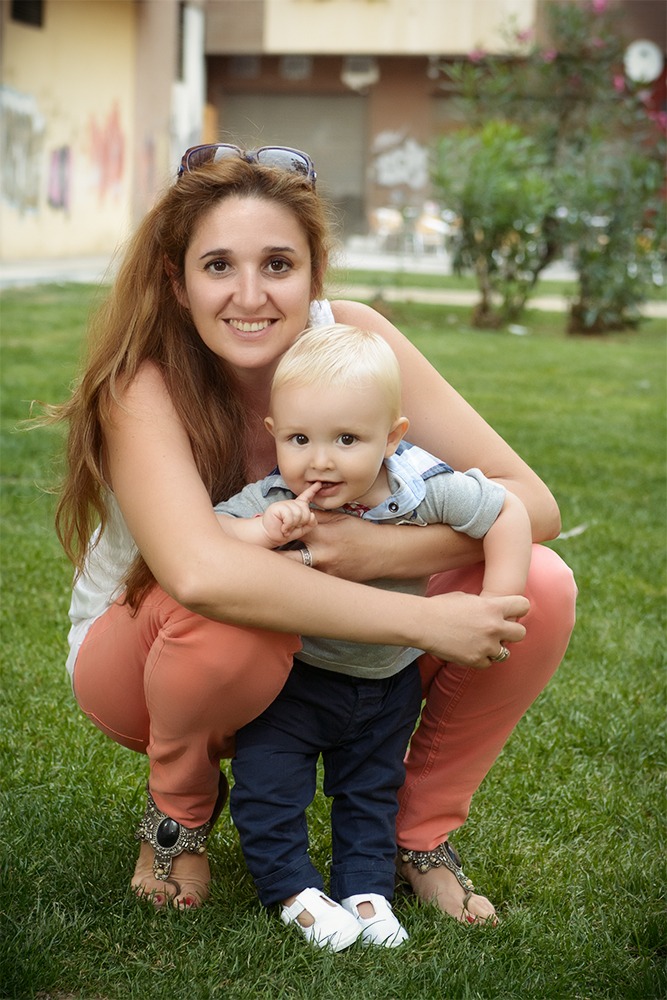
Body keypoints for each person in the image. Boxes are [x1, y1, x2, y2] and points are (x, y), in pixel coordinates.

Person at [51, 143, 576, 924]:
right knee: (234, 620)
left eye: (278, 264)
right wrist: (426, 619)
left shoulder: (356, 344)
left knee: (540, 582)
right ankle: (177, 820)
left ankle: (419, 837)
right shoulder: (144, 383)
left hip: (326, 655)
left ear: (314, 272)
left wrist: (382, 552)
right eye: (218, 265)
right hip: (151, 657)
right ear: (177, 279)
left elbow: (531, 502)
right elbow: (201, 576)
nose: (250, 295)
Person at [213, 322, 533, 949]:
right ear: (273, 433)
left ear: (392, 439)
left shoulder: (421, 490)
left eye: (348, 439)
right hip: (294, 681)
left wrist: (500, 599)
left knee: (370, 793)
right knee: (269, 785)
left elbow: (508, 510)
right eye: (300, 438)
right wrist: (263, 531)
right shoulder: (274, 496)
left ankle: (367, 893)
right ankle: (292, 889)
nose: (321, 459)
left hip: (386, 684)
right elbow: (208, 538)